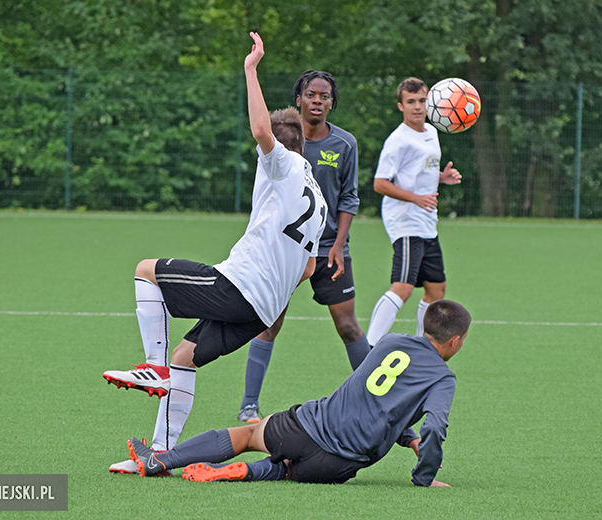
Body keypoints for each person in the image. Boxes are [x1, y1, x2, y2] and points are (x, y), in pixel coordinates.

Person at [102, 31, 328, 474]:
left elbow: (263, 129)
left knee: (146, 270)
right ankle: (159, 458)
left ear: (279, 150)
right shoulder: (317, 198)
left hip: (240, 287)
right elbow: (309, 268)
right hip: (263, 310)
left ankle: (153, 368)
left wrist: (250, 68)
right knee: (185, 356)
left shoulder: (282, 162)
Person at [127, 299, 471, 487]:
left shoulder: (390, 342)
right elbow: (434, 427)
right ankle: (250, 473)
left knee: (247, 435)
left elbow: (377, 395)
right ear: (455, 341)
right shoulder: (443, 377)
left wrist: (407, 436)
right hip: (339, 462)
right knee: (288, 471)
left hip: (304, 425)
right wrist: (423, 476)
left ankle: (160, 460)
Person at [237, 69, 369, 423]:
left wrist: (339, 244)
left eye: (325, 96)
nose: (317, 101)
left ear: (332, 103)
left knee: (348, 326)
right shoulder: (283, 142)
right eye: (311, 94)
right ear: (299, 99)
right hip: (287, 250)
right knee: (269, 322)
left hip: (328, 250)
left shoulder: (345, 144)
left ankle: (376, 398)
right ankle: (249, 405)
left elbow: (349, 198)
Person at [366, 77, 462, 347]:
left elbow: (419, 172)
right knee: (403, 288)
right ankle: (369, 347)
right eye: (411, 102)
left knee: (436, 290)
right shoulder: (398, 141)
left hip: (427, 222)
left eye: (422, 100)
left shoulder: (432, 131)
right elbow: (380, 183)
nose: (417, 107)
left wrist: (442, 177)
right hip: (406, 222)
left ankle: (423, 347)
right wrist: (416, 199)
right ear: (401, 106)